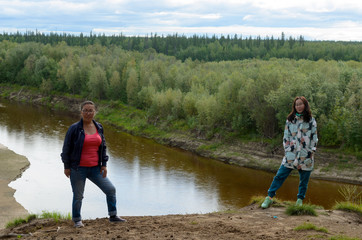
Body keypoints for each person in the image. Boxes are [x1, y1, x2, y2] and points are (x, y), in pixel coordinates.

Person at [61, 100, 126, 227]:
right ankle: (77, 220)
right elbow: (66, 149)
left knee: (111, 189)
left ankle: (113, 215)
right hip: (78, 168)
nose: (88, 113)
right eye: (85, 110)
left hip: (95, 168)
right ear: (81, 112)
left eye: (91, 110)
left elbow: (103, 147)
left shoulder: (99, 127)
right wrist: (66, 167)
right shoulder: (74, 129)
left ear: (95, 112)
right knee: (78, 195)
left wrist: (104, 165)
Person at [261, 96, 318, 208]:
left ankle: (299, 201)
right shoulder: (290, 120)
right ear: (294, 106)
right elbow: (286, 137)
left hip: (305, 155)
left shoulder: (311, 121)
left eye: (301, 104)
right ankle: (269, 197)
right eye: (296, 104)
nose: (299, 106)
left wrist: (311, 152)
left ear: (305, 105)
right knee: (279, 176)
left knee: (304, 181)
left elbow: (314, 138)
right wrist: (287, 151)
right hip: (290, 155)